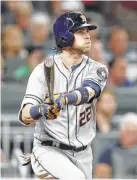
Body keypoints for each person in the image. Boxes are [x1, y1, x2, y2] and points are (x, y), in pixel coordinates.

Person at [18, 11, 108, 179]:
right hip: (49, 149)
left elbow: (89, 91)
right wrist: (43, 109)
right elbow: (24, 115)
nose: (88, 36)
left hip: (83, 153)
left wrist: (63, 99)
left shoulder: (98, 68)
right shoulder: (43, 70)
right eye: (81, 32)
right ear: (65, 36)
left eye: (88, 31)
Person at [94, 112, 137, 178]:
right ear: (121, 132)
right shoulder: (110, 151)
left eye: (133, 132)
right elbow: (100, 172)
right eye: (128, 131)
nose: (131, 135)